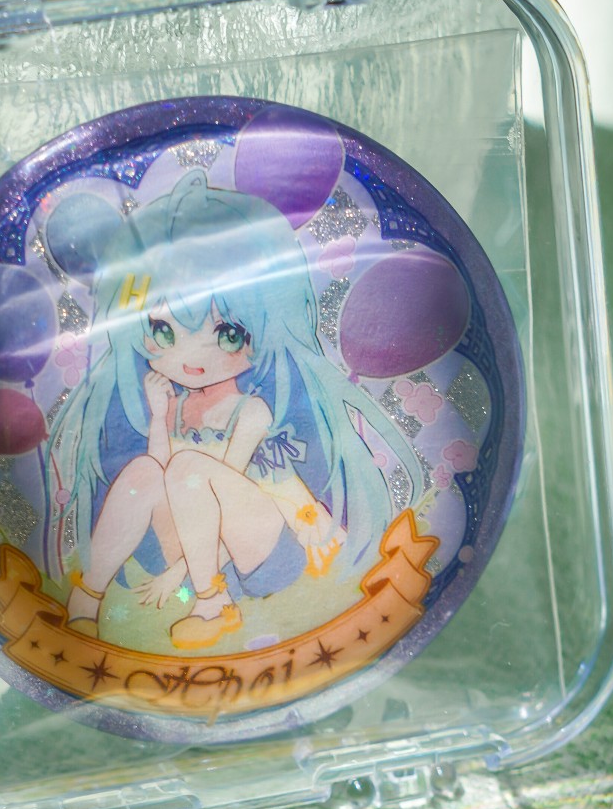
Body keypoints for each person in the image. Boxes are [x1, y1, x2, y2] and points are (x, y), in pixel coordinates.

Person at [43, 169, 423, 649]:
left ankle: (212, 605)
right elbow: (158, 477)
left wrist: (178, 575)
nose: (191, 358)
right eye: (162, 331)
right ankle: (86, 601)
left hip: (258, 551)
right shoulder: (177, 405)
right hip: (189, 539)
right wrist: (158, 415)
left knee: (190, 471)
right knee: (143, 470)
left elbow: (216, 498)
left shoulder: (252, 412)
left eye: (227, 335)